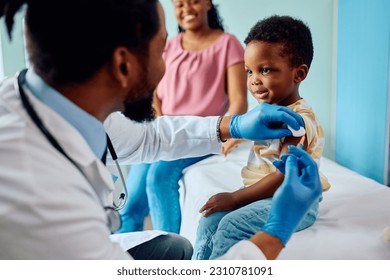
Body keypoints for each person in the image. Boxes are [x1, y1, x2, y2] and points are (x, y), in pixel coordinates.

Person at [0, 0, 304, 260]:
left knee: (174, 248)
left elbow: (150, 136)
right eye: (161, 50)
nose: (167, 66)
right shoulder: (36, 194)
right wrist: (276, 231)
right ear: (123, 65)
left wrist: (231, 124)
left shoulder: (62, 104)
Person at [192, 15, 331, 260]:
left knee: (231, 225)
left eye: (265, 70)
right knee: (210, 219)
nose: (254, 80)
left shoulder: (297, 121)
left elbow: (282, 177)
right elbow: (260, 133)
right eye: (249, 71)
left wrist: (235, 198)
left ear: (298, 74)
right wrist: (237, 135)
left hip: (293, 203)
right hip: (263, 196)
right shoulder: (271, 111)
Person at [119, 0, 247, 234]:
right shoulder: (169, 46)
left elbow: (239, 101)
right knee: (130, 203)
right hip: (164, 131)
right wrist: (158, 123)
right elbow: (155, 94)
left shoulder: (227, 44)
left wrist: (232, 135)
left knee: (159, 177)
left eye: (193, 2)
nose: (186, 8)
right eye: (179, 5)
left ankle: (169, 255)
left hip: (203, 135)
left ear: (208, 3)